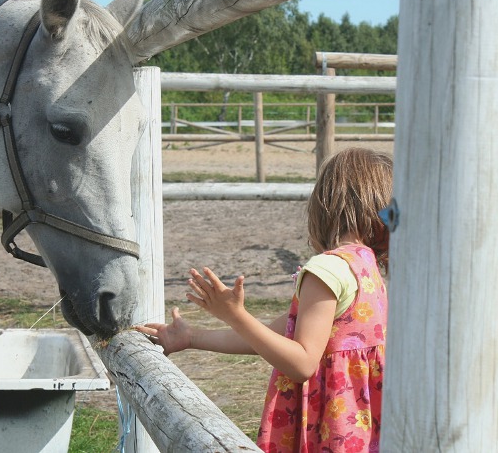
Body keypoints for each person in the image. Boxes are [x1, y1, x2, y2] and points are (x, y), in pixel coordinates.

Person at [137, 147, 392, 452]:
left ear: (327, 203)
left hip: (330, 431)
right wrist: (191, 337)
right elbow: (271, 337)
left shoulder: (328, 269)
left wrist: (235, 314)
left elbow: (302, 363)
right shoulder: (366, 268)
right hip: (362, 429)